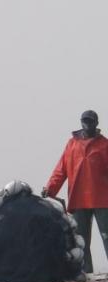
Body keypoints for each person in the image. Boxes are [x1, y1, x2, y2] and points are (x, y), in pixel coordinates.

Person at [43, 110, 108, 273]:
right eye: (85, 121)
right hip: (78, 199)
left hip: (102, 199)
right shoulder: (72, 144)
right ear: (81, 122)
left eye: (90, 121)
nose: (87, 124)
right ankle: (87, 274)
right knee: (81, 240)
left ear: (96, 123)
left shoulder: (104, 145)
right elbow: (61, 170)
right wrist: (50, 188)